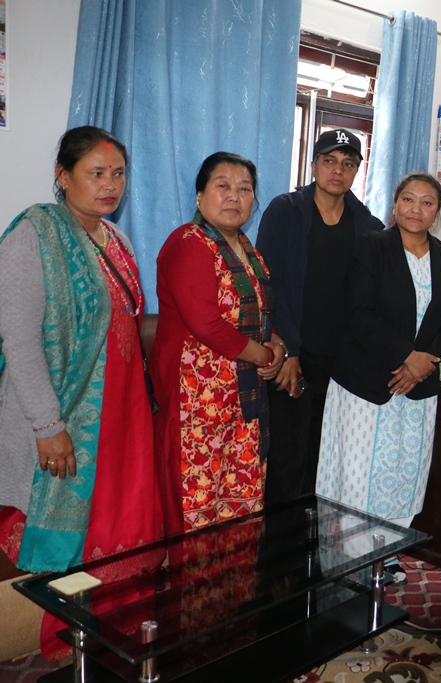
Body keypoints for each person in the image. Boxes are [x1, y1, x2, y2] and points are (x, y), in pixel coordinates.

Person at [0, 125, 162, 657]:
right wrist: (48, 426)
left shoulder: (119, 241)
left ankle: (119, 628)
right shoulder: (35, 233)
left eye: (118, 174)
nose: (110, 185)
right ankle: (66, 637)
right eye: (96, 173)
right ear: (63, 176)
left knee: (119, 524)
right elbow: (19, 339)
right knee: (75, 531)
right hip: (68, 414)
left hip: (124, 414)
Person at [316, 172, 441, 528]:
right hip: (366, 385)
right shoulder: (372, 245)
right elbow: (359, 312)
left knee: (405, 474)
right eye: (408, 199)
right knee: (357, 477)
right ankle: (349, 555)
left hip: (418, 389)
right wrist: (407, 358)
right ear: (395, 205)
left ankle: (389, 551)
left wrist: (424, 364)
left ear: (437, 212)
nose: (416, 209)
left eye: (427, 202)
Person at [150, 152, 285, 534]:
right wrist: (264, 356)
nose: (234, 196)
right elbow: (206, 323)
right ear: (199, 195)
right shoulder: (188, 243)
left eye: (245, 189)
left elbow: (259, 314)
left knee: (238, 499)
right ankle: (191, 575)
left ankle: (233, 574)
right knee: (197, 502)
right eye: (222, 186)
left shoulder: (246, 249)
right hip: (197, 400)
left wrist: (278, 346)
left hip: (241, 400)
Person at [255, 129, 384, 507]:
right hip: (294, 359)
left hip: (343, 365)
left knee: (329, 461)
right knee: (286, 462)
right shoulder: (285, 211)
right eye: (329, 161)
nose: (338, 171)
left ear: (357, 171)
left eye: (348, 164)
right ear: (313, 165)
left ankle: (319, 543)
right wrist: (289, 349)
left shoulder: (369, 227)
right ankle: (283, 545)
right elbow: (270, 282)